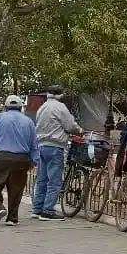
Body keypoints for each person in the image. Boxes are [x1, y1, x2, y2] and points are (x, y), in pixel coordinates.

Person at [0, 95, 39, 226]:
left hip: (0, 157)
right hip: (21, 159)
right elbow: (34, 144)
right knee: (16, 188)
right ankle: (12, 218)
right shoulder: (28, 122)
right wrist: (34, 160)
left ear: (6, 107)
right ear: (20, 107)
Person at [32, 84, 82, 221]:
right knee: (54, 181)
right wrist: (79, 130)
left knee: (42, 179)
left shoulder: (42, 108)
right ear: (60, 94)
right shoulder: (60, 107)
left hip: (41, 146)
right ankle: (47, 211)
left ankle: (37, 209)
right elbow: (70, 125)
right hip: (55, 146)